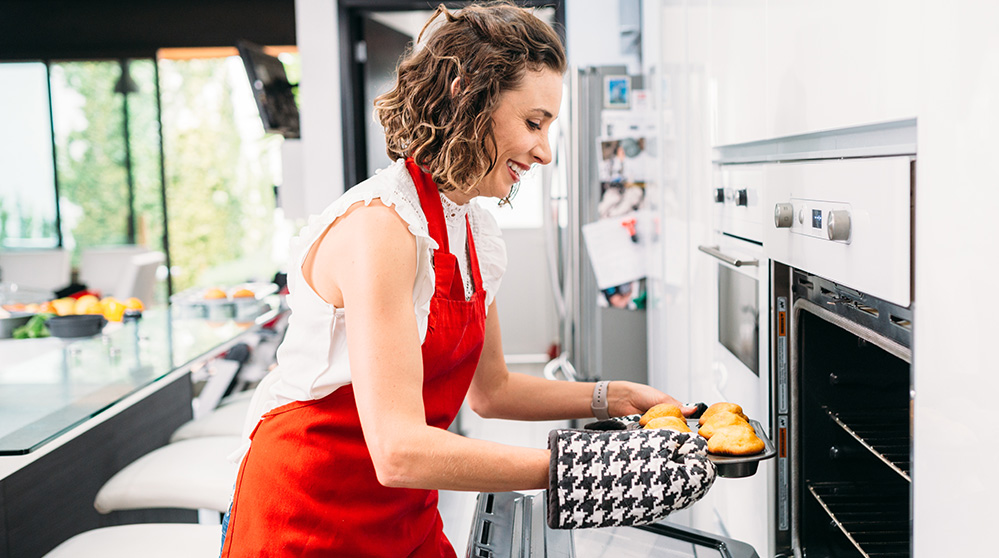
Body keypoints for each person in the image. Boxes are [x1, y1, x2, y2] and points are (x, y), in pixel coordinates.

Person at [219, 4, 699, 557]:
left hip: (403, 508)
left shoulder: (472, 227)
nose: (545, 152)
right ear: (467, 94)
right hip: (308, 512)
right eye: (534, 122)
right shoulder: (382, 228)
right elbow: (398, 449)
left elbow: (490, 391)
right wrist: (584, 470)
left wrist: (613, 396)